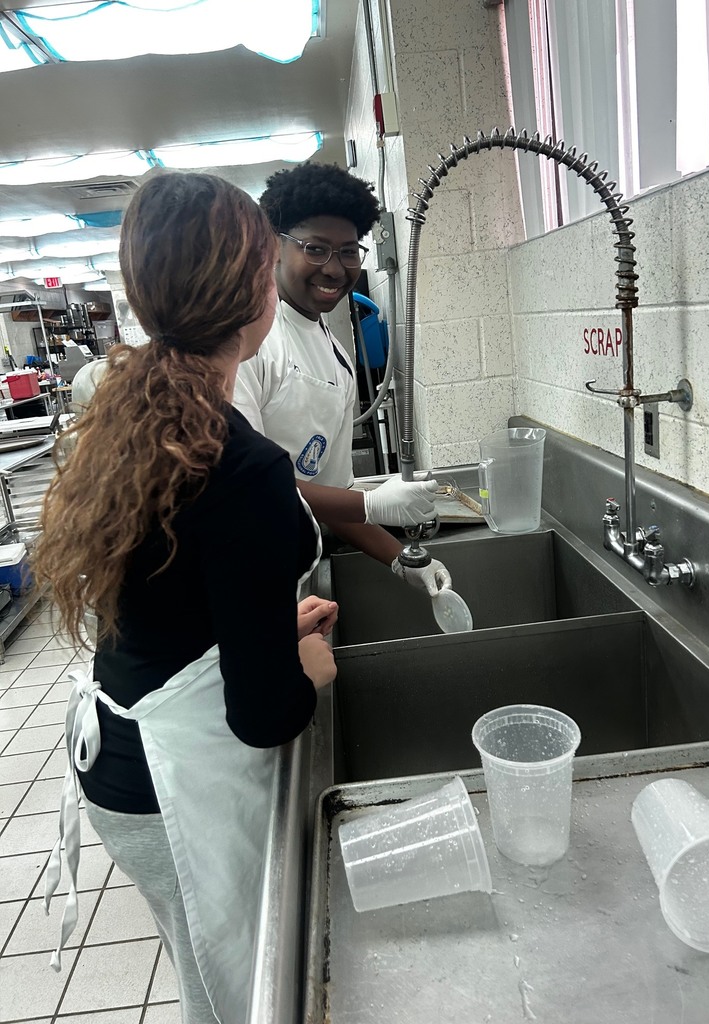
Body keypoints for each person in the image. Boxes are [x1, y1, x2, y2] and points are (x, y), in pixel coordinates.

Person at [33, 170, 337, 1024]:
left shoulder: (137, 415)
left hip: (118, 760)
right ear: (256, 294)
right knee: (237, 998)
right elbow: (265, 715)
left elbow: (178, 591)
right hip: (174, 786)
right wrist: (301, 662)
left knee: (209, 977)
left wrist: (266, 624)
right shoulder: (244, 467)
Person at [234, 161, 452, 597]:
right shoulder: (246, 344)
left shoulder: (338, 359)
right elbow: (242, 487)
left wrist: (403, 560)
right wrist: (370, 503)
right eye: (315, 248)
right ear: (273, 248)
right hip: (235, 582)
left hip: (292, 578)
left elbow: (332, 498)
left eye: (349, 251)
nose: (335, 269)